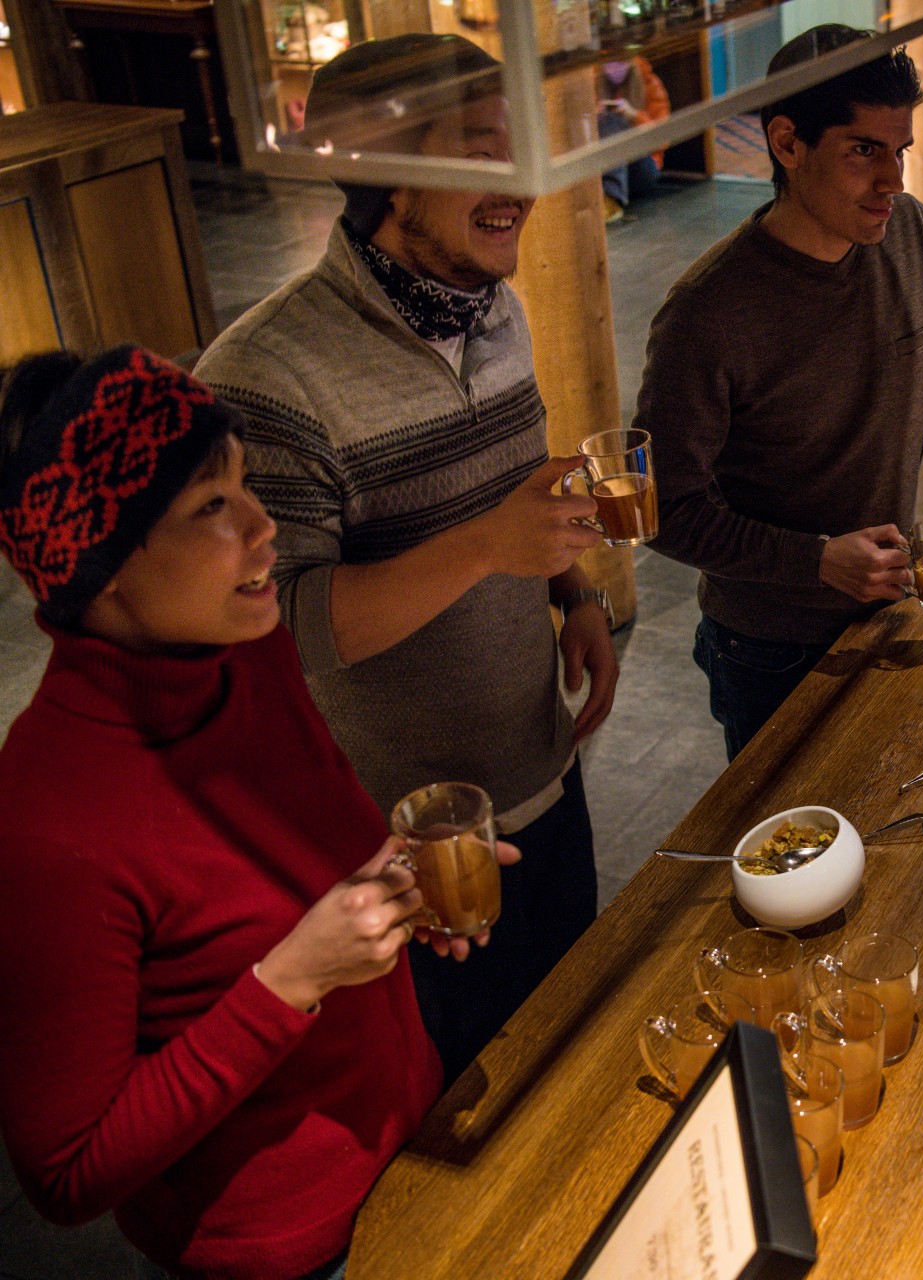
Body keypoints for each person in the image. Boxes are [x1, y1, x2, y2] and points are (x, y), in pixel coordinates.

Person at [0, 347, 514, 1280]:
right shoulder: (48, 821)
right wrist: (289, 980)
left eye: (247, 486)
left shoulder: (243, 651)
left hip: (408, 1135)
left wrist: (387, 886)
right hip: (283, 1249)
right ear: (105, 566)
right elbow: (66, 1172)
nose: (264, 526)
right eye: (212, 507)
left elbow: (289, 863)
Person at [193, 34, 618, 1082]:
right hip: (402, 854)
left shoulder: (497, 310)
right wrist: (484, 547)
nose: (520, 179)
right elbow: (282, 629)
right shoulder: (269, 374)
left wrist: (576, 595)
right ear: (388, 177)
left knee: (569, 1063)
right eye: (483, 147)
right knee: (458, 1123)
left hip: (541, 777)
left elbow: (509, 491)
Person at [633, 25, 923, 759]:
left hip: (884, 614)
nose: (894, 181)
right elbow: (662, 510)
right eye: (863, 151)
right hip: (766, 645)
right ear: (787, 143)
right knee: (788, 853)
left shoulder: (910, 234)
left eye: (900, 151)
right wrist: (815, 558)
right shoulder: (709, 311)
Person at [598, 55, 670, 220]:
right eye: (609, 63)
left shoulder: (649, 84)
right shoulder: (594, 84)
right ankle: (610, 196)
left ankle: (611, 199)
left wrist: (633, 116)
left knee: (615, 122)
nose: (614, 68)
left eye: (620, 63)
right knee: (610, 122)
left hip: (642, 167)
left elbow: (662, 140)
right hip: (605, 166)